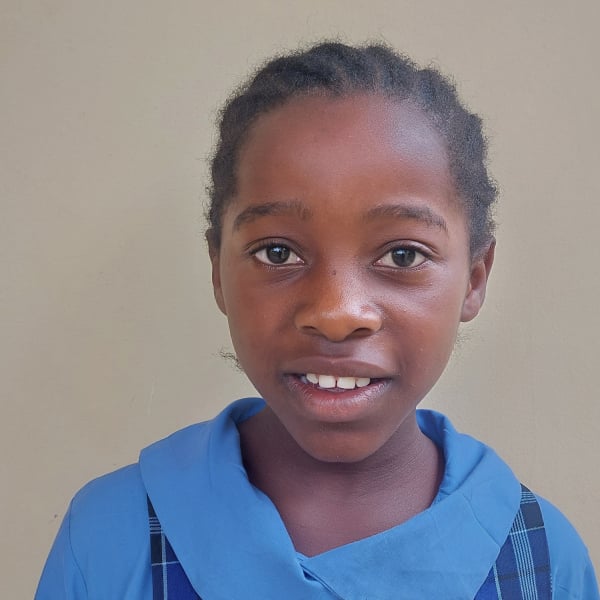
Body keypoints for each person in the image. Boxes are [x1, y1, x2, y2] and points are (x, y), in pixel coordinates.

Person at [36, 41, 598, 599]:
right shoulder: (110, 539)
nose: (335, 314)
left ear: (474, 279)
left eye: (403, 255)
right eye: (277, 252)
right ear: (218, 271)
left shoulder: (541, 561)